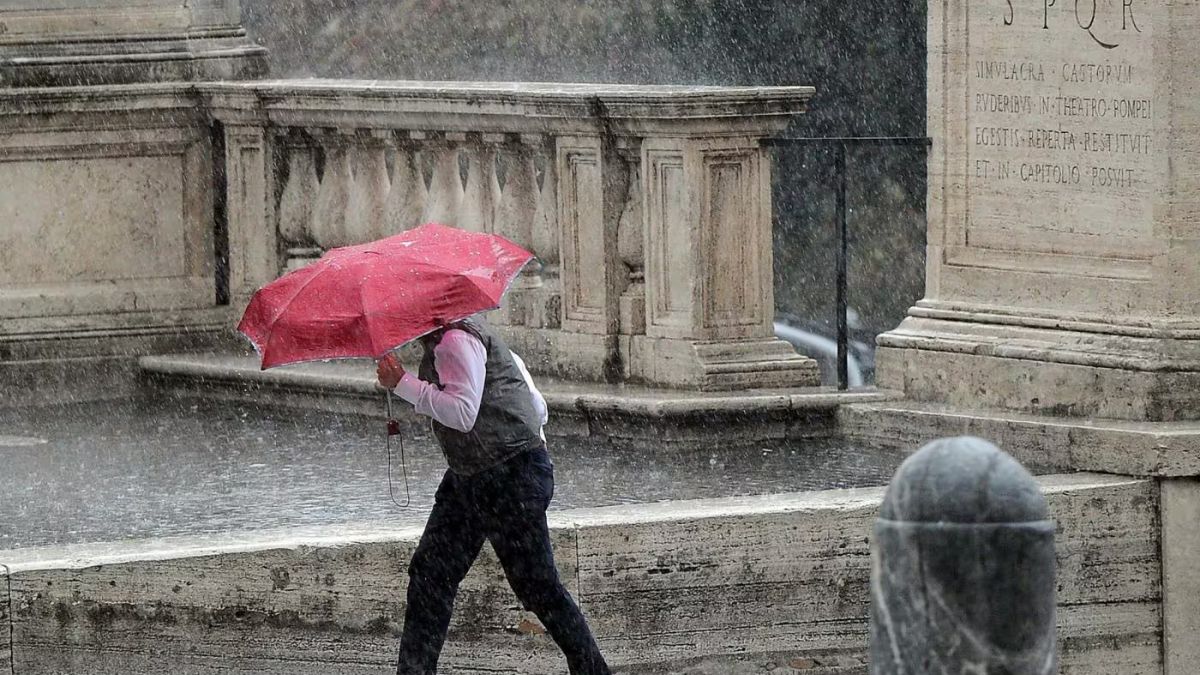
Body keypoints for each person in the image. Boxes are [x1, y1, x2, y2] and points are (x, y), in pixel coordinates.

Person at [376, 316, 611, 675]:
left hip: (507, 478)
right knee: (431, 574)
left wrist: (402, 384)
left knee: (536, 586)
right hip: (480, 476)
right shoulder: (478, 338)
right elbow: (537, 409)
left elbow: (464, 413)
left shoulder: (455, 342)